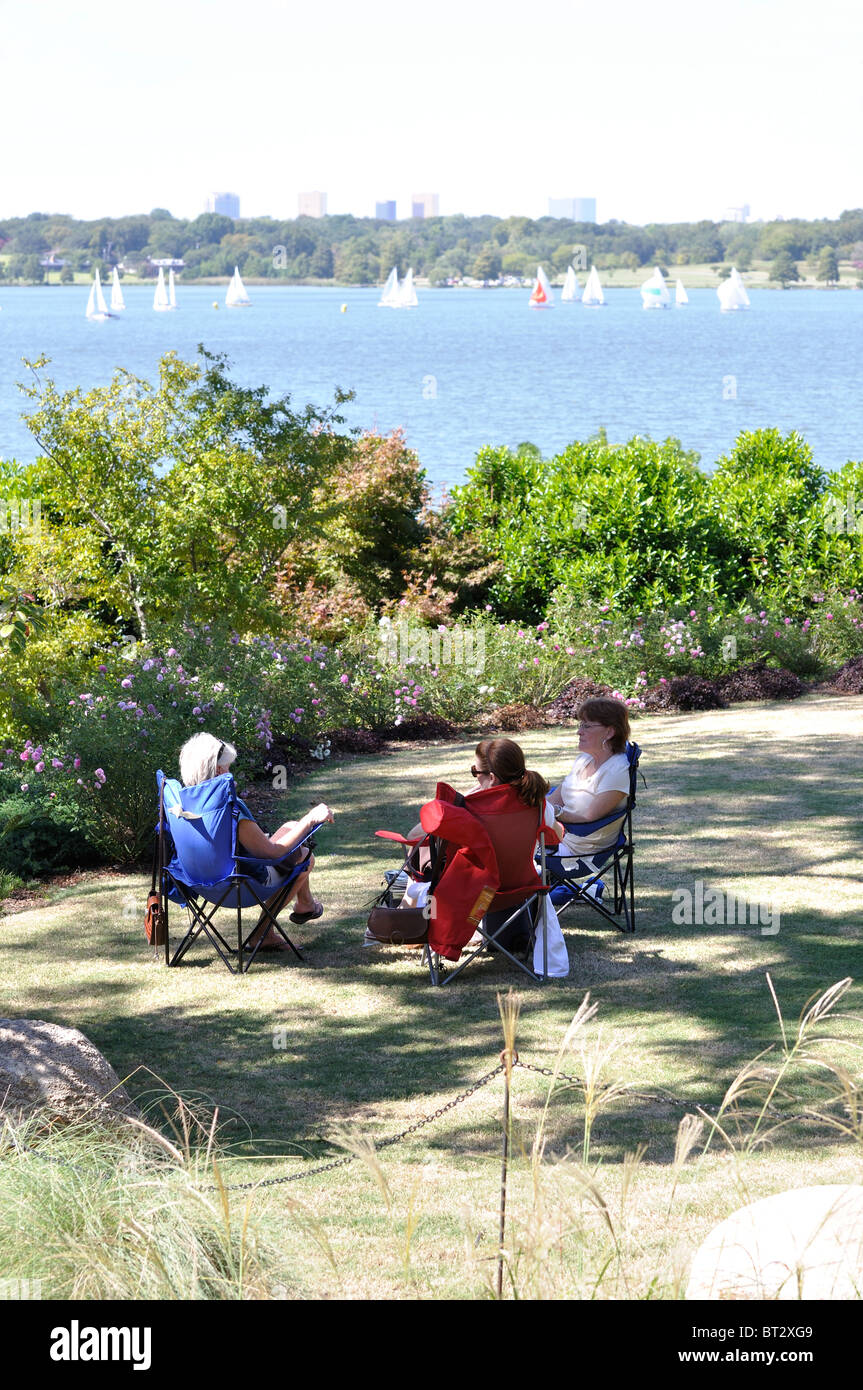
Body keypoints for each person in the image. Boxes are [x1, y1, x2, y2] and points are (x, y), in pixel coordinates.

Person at [178, 732, 334, 949]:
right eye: (229, 767)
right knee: (304, 857)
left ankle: (305, 904)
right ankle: (263, 934)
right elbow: (271, 853)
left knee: (290, 827)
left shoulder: (182, 804)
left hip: (200, 881)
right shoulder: (228, 808)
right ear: (219, 770)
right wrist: (310, 820)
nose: (230, 771)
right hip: (238, 883)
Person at [548, 697, 632, 861]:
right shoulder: (584, 760)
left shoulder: (618, 769)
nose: (579, 732)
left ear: (609, 732)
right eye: (581, 725)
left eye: (586, 726)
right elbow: (552, 800)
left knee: (507, 850)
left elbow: (587, 817)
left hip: (580, 849)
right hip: (557, 836)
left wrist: (551, 812)